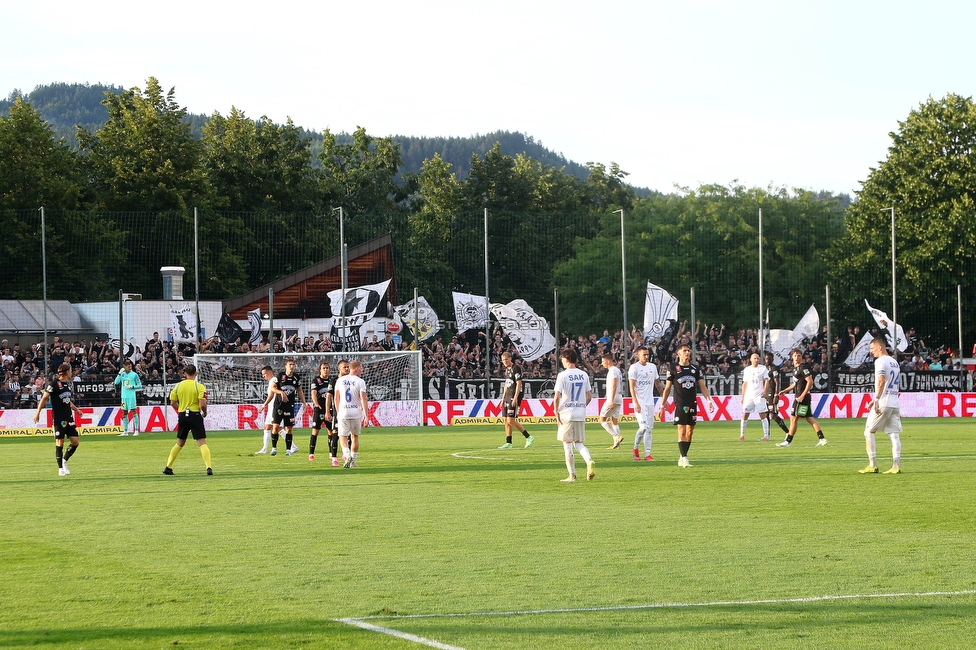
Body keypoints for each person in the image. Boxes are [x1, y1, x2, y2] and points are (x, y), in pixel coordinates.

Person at [657, 342, 715, 467]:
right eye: (684, 350)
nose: (687, 352)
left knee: (690, 431)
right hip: (680, 403)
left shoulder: (695, 369)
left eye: (688, 350)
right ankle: (684, 457)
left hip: (693, 403)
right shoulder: (673, 368)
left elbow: (702, 386)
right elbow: (667, 388)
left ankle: (682, 455)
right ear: (678, 353)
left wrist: (709, 401)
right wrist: (662, 405)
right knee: (681, 429)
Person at [859, 336, 903, 474]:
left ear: (879, 347)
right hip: (894, 402)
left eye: (872, 348)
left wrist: (876, 399)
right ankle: (896, 466)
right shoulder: (895, 362)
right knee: (894, 434)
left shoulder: (880, 361)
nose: (871, 352)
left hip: (883, 402)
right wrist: (875, 398)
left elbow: (881, 380)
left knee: (869, 431)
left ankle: (872, 464)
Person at [33, 363, 84, 476]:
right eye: (70, 370)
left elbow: (67, 400)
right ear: (66, 372)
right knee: (60, 442)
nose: (72, 372)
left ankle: (64, 460)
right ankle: (60, 468)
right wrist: (38, 412)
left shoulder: (68, 385)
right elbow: (44, 398)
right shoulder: (54, 384)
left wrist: (77, 410)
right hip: (58, 418)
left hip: (69, 417)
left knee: (75, 442)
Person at [553, 348, 595, 482]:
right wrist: (581, 405)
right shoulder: (584, 374)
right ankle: (589, 461)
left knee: (567, 445)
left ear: (566, 360)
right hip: (580, 413)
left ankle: (572, 475)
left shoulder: (562, 375)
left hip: (567, 414)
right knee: (579, 443)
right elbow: (589, 396)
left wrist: (556, 412)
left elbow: (557, 397)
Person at [163, 364, 212, 475]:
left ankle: (168, 466)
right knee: (202, 442)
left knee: (180, 442)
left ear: (185, 373)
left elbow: (172, 402)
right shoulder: (199, 386)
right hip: (195, 415)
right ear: (196, 373)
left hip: (183, 415)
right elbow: (202, 403)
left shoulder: (178, 386)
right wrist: (204, 412)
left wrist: (181, 409)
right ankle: (208, 467)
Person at [776, 349, 827, 447]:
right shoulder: (795, 369)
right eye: (795, 355)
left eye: (799, 355)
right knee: (809, 418)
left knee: (793, 418)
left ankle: (788, 441)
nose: (797, 357)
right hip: (803, 397)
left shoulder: (803, 368)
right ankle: (822, 438)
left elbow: (810, 381)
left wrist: (802, 395)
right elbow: (795, 384)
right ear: (792, 357)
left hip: (802, 398)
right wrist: (785, 390)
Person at [628, 346, 663, 460]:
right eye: (644, 354)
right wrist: (635, 402)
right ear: (638, 355)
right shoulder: (634, 368)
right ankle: (635, 448)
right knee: (643, 427)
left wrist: (664, 397)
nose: (647, 356)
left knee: (649, 429)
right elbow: (632, 387)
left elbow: (657, 383)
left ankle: (647, 454)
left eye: (648, 354)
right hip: (640, 402)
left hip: (650, 402)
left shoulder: (652, 367)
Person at [270, 359, 308, 456]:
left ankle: (288, 450)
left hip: (290, 406)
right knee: (275, 427)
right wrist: (281, 392)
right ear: (285, 366)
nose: (292, 366)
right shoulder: (280, 376)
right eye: (290, 364)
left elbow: (299, 390)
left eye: (293, 364)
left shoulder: (296, 377)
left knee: (289, 428)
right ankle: (274, 448)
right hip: (278, 406)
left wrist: (304, 403)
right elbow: (273, 388)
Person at [335, 359, 369, 468]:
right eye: (361, 369)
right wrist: (367, 416)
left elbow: (336, 398)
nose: (362, 371)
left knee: (342, 436)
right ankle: (353, 461)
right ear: (356, 369)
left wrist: (339, 412)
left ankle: (347, 454)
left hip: (343, 411)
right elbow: (363, 399)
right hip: (356, 412)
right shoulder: (360, 381)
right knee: (355, 436)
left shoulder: (340, 380)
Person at [497, 352, 534, 449]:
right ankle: (508, 443)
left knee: (511, 420)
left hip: (514, 396)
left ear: (510, 358)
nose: (504, 362)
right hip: (507, 397)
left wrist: (516, 397)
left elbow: (519, 383)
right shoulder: (507, 370)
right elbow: (506, 384)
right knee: (505, 420)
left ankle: (528, 437)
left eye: (506, 359)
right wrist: (502, 399)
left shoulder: (515, 368)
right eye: (503, 360)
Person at [309, 362, 339, 465]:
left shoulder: (332, 381)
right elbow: (313, 393)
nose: (326, 370)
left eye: (327, 368)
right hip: (319, 409)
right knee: (315, 431)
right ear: (320, 370)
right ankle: (311, 454)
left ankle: (331, 453)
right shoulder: (316, 380)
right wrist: (316, 404)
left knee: (331, 431)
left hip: (330, 409)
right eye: (324, 368)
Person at [739, 352, 770, 441]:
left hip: (759, 396)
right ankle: (742, 435)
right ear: (751, 359)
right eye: (755, 358)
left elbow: (766, 380)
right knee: (745, 414)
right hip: (749, 396)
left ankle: (766, 436)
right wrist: (743, 396)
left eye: (758, 358)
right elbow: (745, 383)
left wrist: (765, 391)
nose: (757, 360)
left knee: (762, 415)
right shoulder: (747, 370)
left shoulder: (763, 368)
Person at [598, 354, 625, 450]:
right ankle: (616, 444)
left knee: (602, 419)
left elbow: (614, 385)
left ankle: (616, 436)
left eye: (603, 361)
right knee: (614, 420)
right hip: (619, 397)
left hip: (613, 397)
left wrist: (611, 400)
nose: (602, 363)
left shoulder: (613, 370)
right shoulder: (617, 370)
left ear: (608, 361)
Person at [254, 365, 282, 455]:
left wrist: (263, 406)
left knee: (277, 428)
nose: (263, 376)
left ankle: (292, 446)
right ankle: (264, 448)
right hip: (272, 407)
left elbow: (271, 395)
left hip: (274, 407)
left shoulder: (273, 380)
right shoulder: (272, 381)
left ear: (269, 372)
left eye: (264, 374)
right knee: (268, 427)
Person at [763, 352, 791, 437]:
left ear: (772, 359)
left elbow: (777, 381)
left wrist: (776, 394)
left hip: (772, 394)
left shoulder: (774, 368)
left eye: (769, 359)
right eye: (766, 358)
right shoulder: (764, 368)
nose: (767, 360)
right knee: (766, 415)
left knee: (774, 415)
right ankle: (767, 435)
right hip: (766, 394)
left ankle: (788, 432)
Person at [114, 359, 143, 436]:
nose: (130, 367)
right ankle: (125, 431)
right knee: (124, 413)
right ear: (124, 366)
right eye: (128, 366)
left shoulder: (134, 375)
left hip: (131, 396)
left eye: (130, 365)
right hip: (124, 397)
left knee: (134, 411)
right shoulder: (122, 374)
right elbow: (116, 382)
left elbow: (140, 385)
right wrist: (119, 374)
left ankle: (136, 430)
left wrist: (132, 386)